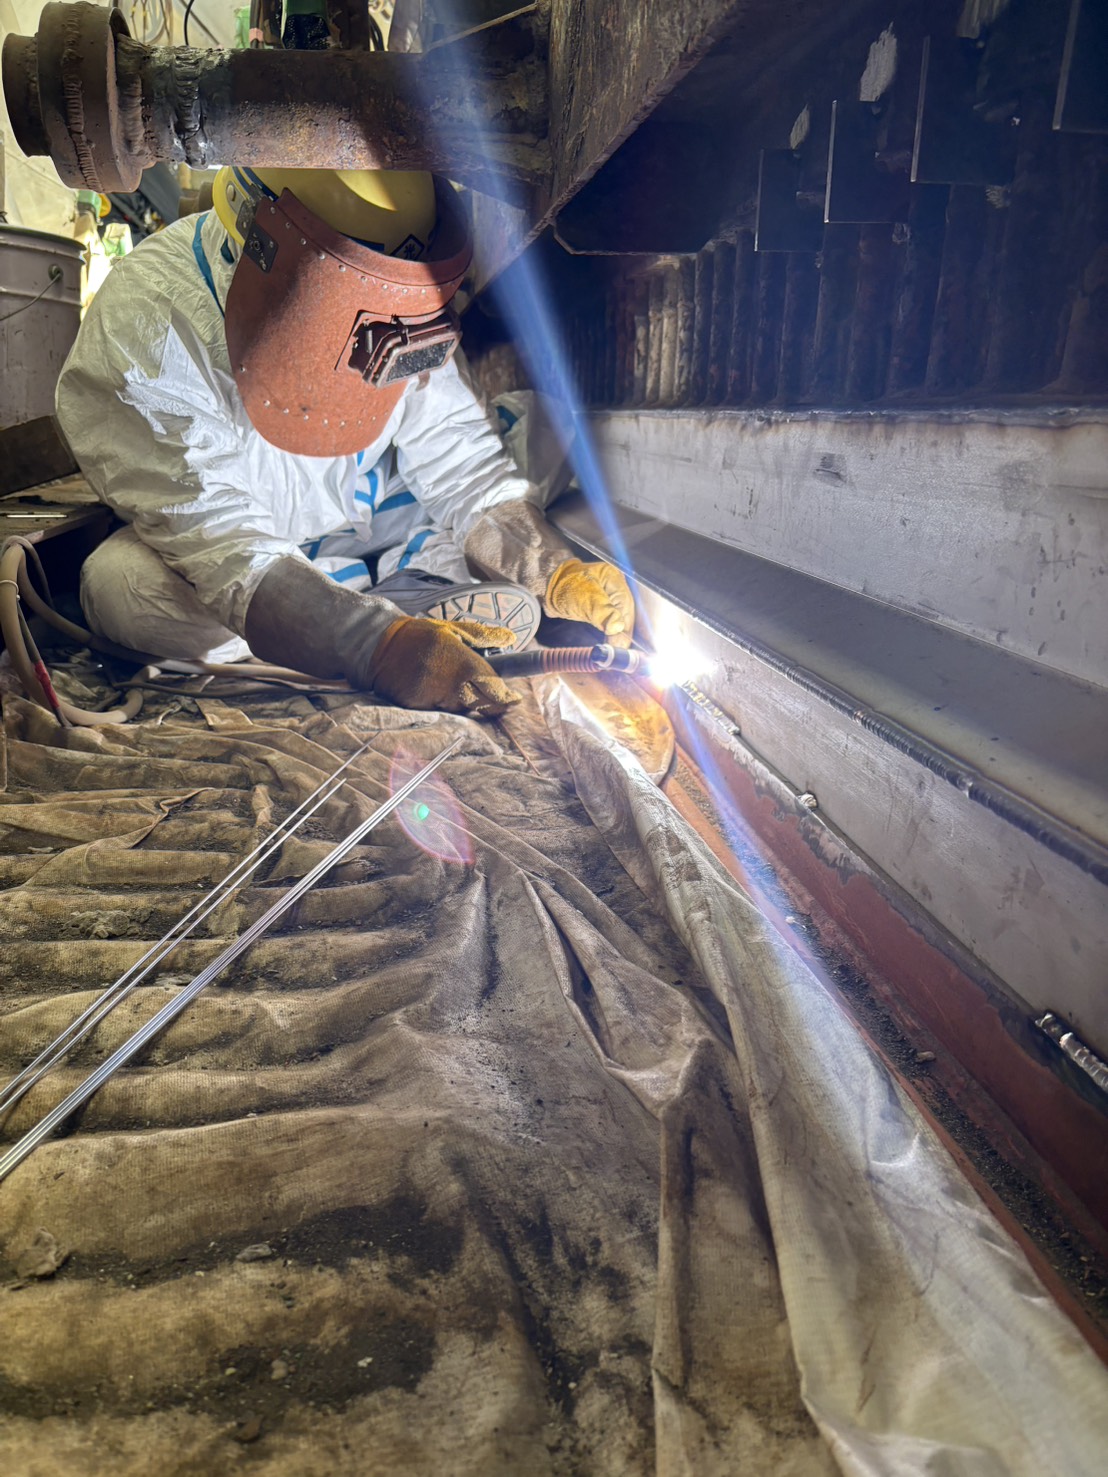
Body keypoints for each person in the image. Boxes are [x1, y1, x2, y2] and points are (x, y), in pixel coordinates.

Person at [55, 166, 635, 719]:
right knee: (120, 589)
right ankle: (371, 614)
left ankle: (386, 600)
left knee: (537, 441)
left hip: (368, 515)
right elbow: (225, 548)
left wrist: (552, 570)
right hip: (232, 558)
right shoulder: (149, 324)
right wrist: (377, 648)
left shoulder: (399, 303)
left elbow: (463, 462)